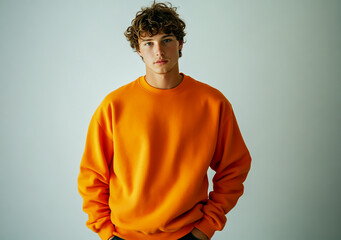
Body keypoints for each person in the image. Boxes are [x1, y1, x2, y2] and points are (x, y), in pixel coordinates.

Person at [78, 2, 251, 240]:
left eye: (166, 40)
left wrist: (206, 228)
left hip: (187, 233)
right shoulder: (114, 105)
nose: (158, 51)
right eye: (148, 43)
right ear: (138, 49)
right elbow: (92, 175)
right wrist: (106, 232)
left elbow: (234, 167)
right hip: (123, 234)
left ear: (180, 43)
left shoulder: (213, 103)